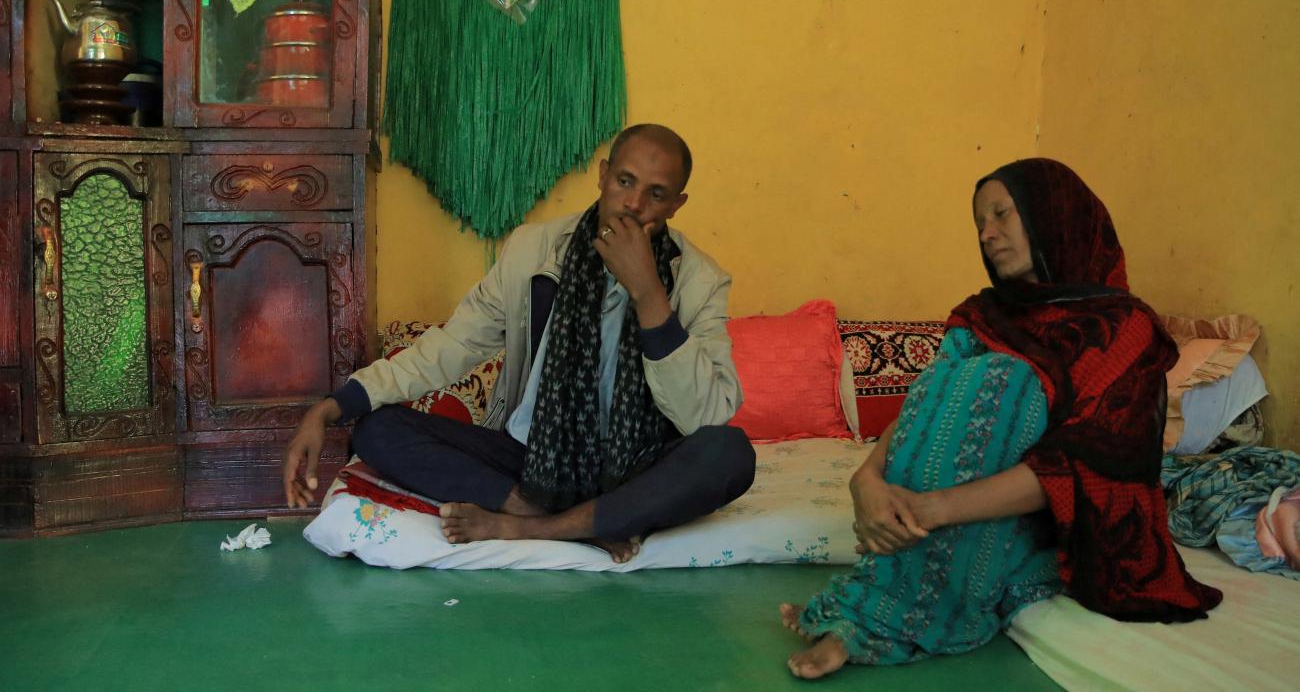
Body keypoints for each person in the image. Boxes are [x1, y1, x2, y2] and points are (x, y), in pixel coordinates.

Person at [780, 158, 1222, 679]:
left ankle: (882, 615)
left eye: (1001, 214)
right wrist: (868, 479)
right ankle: (894, 591)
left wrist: (933, 509)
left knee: (1002, 383)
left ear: (1051, 215)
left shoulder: (1123, 327)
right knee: (954, 375)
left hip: (1070, 523)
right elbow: (923, 409)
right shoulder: (982, 314)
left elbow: (1084, 464)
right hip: (963, 506)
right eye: (979, 224)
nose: (988, 234)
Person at [282, 124, 755, 562]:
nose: (634, 205)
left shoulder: (700, 280)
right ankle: (545, 514)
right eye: (625, 182)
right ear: (603, 176)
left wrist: (649, 293)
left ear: (677, 204)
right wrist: (329, 408)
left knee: (730, 452)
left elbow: (705, 416)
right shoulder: (534, 250)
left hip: (638, 466)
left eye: (656, 194)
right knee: (377, 430)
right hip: (534, 459)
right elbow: (451, 347)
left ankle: (542, 527)